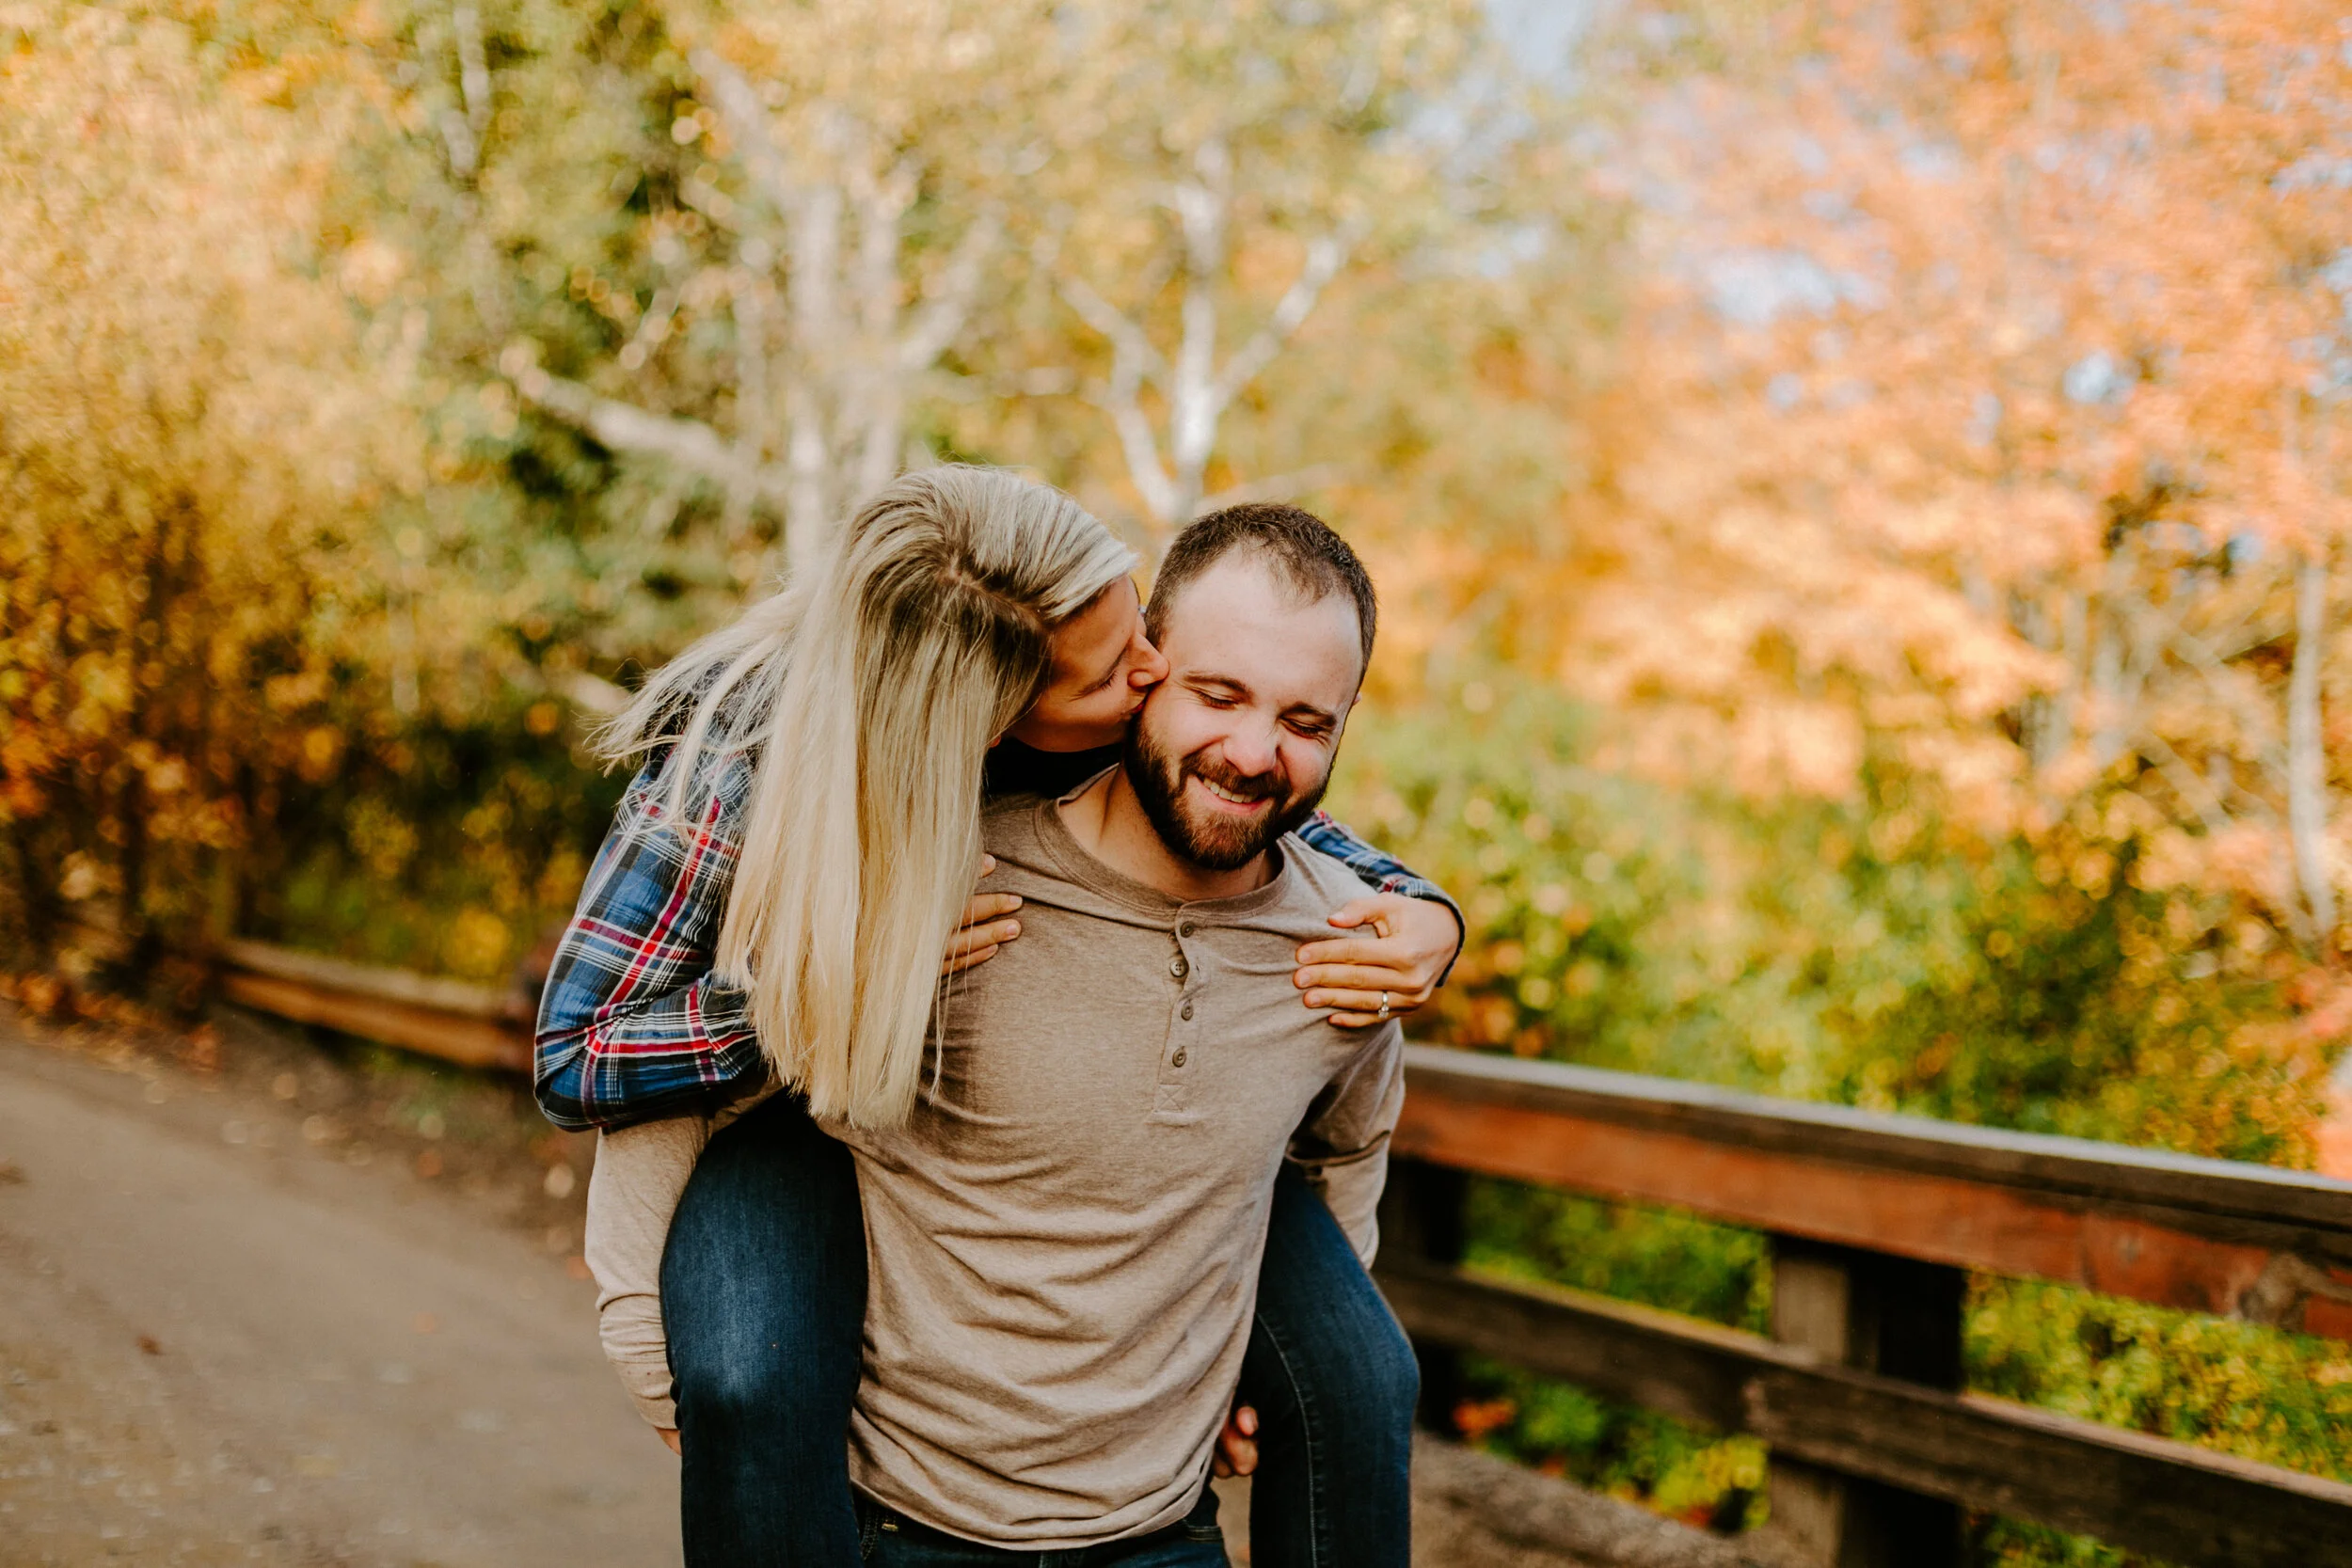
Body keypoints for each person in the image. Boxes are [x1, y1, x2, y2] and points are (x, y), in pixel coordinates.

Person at [534, 469, 1458, 1563]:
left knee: (1360, 1371)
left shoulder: (1111, 699)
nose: (1149, 674)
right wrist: (843, 980)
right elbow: (583, 1057)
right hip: (799, 1066)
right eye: (1126, 673)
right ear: (988, 717)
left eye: (1139, 635)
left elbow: (1255, 782)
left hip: (1140, 1203)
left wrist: (1421, 911)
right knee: (749, 1373)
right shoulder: (742, 764)